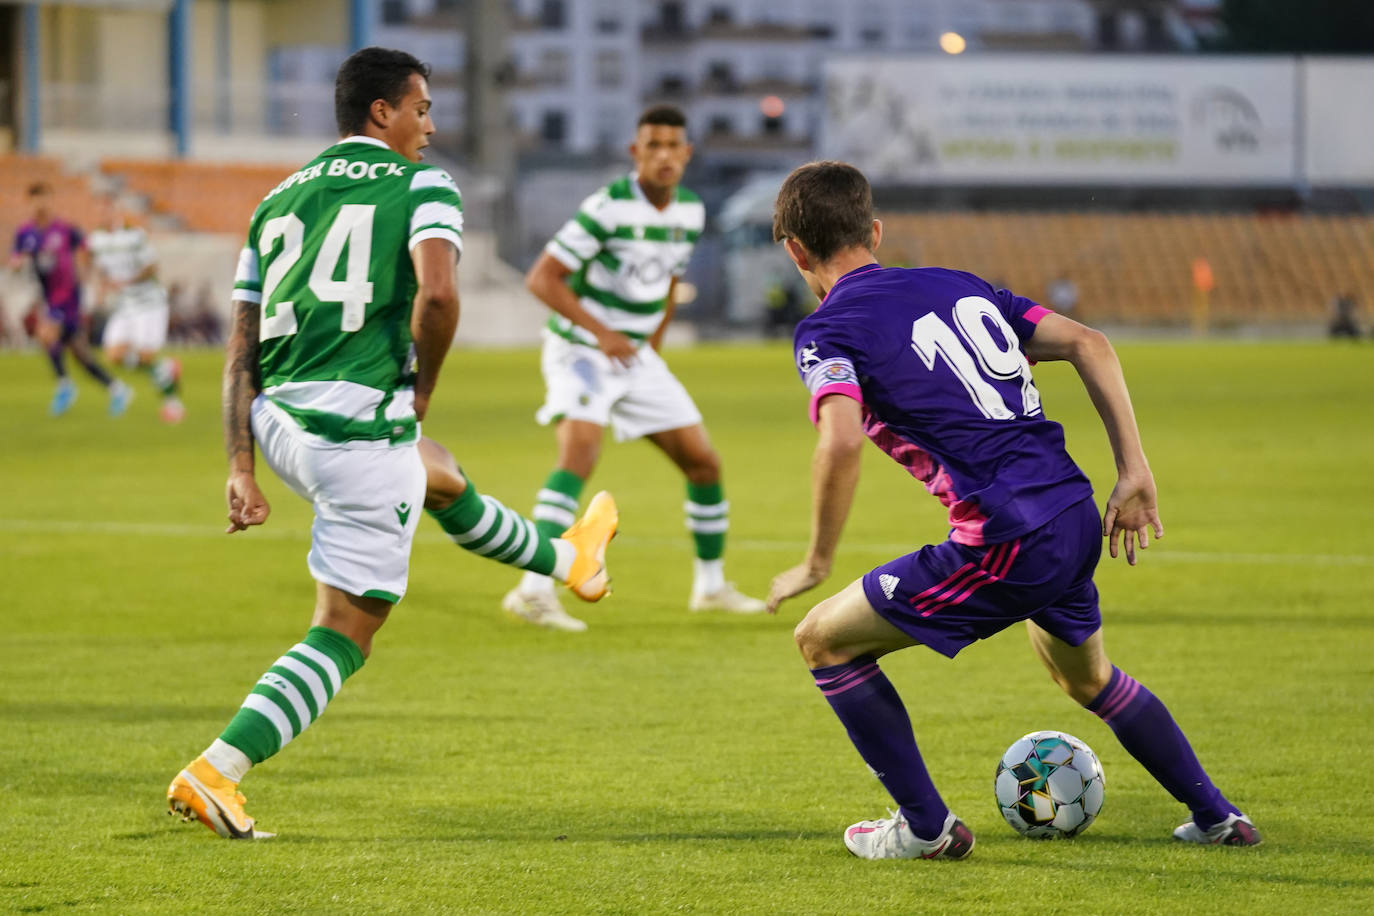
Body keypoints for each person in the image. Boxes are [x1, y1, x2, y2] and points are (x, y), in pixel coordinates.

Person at [166, 47, 619, 840]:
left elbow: (241, 351)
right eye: (421, 109)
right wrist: (421, 393)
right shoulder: (424, 186)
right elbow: (439, 293)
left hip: (279, 424)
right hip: (353, 436)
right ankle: (215, 772)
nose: (430, 126)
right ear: (383, 111)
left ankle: (569, 561)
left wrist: (240, 467)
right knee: (347, 627)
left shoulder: (274, 204)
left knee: (435, 474)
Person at [766, 161, 1260, 860]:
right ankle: (1218, 818)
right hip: (1073, 512)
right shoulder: (956, 284)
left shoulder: (828, 330)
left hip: (1004, 536)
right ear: (875, 231)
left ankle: (927, 830)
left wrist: (816, 559)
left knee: (823, 640)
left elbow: (840, 438)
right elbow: (1091, 342)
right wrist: (1134, 471)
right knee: (1086, 677)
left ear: (794, 251)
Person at [504, 104, 764, 632]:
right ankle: (531, 590)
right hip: (581, 350)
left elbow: (669, 282)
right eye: (653, 146)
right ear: (635, 153)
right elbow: (542, 279)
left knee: (703, 463)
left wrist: (654, 347)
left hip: (634, 356)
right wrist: (602, 333)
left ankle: (710, 587)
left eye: (674, 146)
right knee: (579, 455)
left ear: (687, 154)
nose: (664, 156)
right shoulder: (607, 207)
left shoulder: (689, 210)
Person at [9, 181, 131, 416]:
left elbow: (87, 250)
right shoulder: (25, 232)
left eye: (44, 197)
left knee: (45, 333)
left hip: (67, 296)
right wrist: (16, 264)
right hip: (48, 297)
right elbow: (16, 257)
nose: (40, 203)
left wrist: (89, 275)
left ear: (51, 199)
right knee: (80, 354)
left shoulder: (65, 229)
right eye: (35, 198)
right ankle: (117, 389)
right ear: (30, 201)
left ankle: (64, 385)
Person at [87, 195, 186, 423]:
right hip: (125, 305)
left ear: (117, 210)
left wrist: (128, 281)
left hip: (149, 303)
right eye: (100, 210)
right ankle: (166, 367)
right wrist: (101, 292)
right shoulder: (96, 240)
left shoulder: (134, 235)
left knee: (144, 356)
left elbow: (152, 267)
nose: (104, 214)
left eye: (107, 209)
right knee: (113, 355)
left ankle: (172, 404)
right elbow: (102, 270)